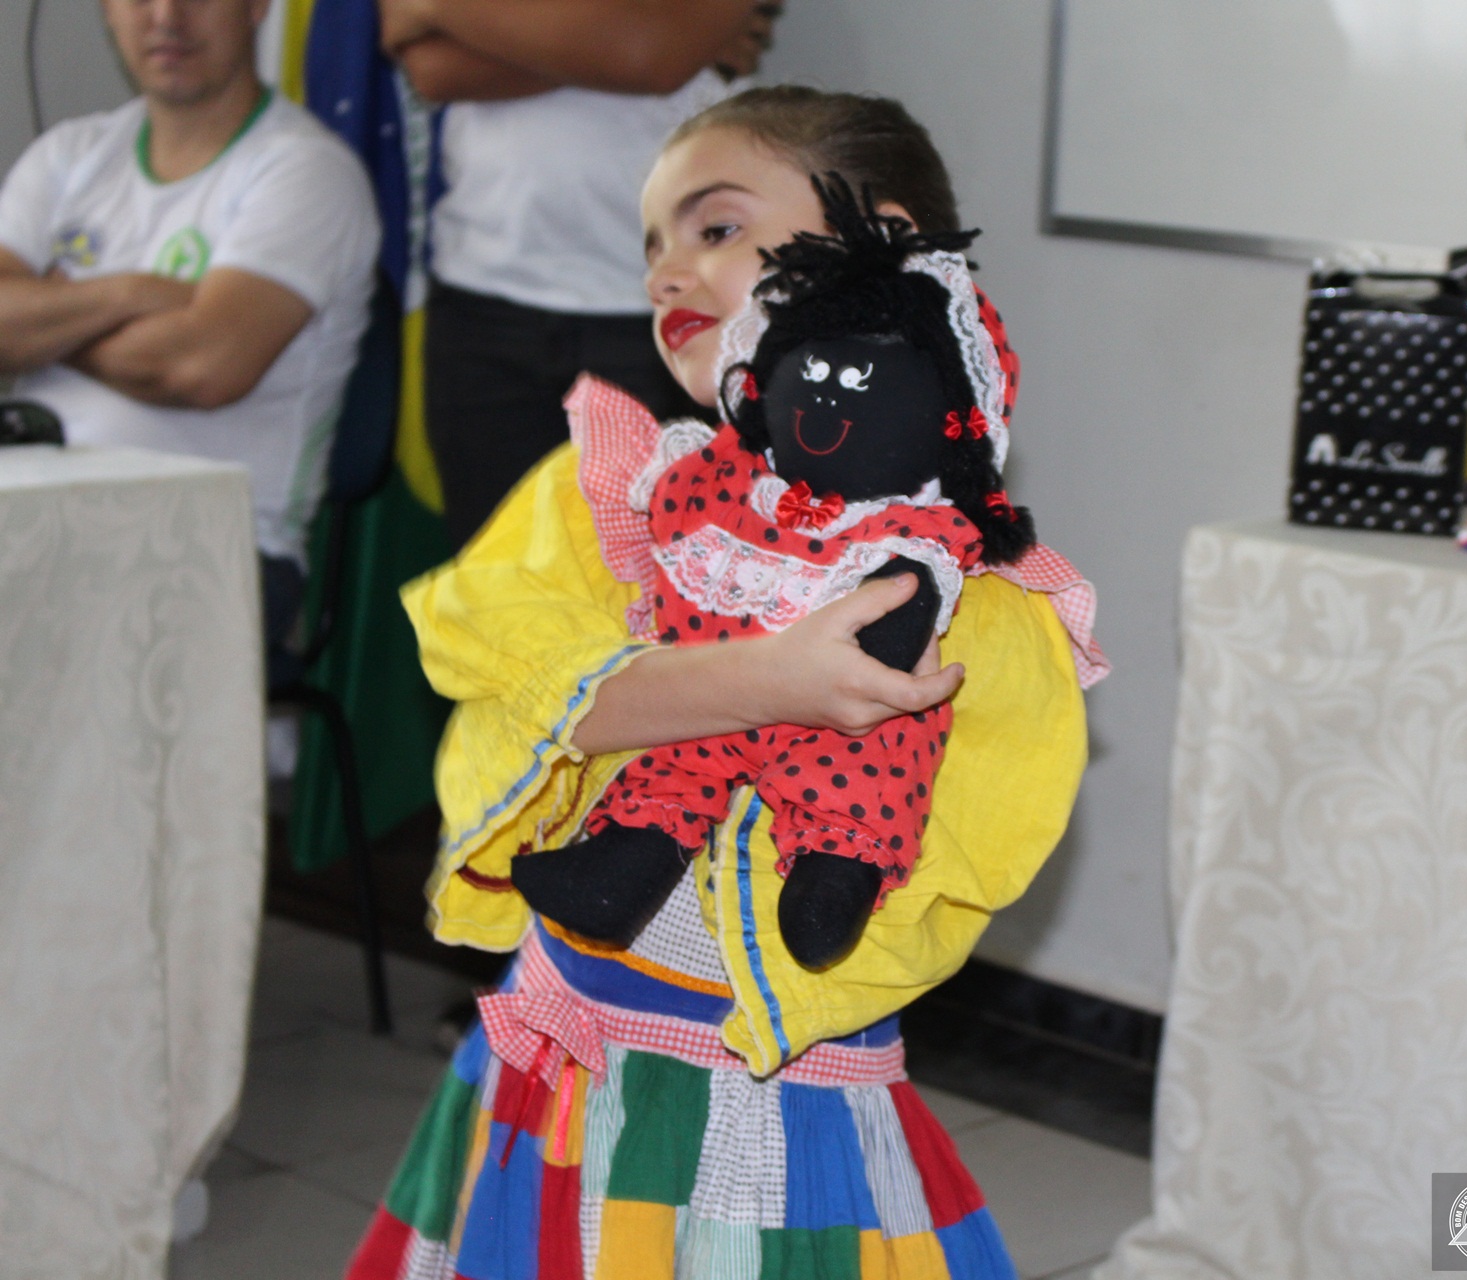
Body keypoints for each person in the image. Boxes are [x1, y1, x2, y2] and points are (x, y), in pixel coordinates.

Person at [343, 86, 1106, 1278]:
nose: (665, 271)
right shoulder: (612, 495)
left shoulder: (978, 601)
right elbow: (541, 695)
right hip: (567, 1050)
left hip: (774, 1093)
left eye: (715, 227)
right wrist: (773, 678)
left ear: (881, 245)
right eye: (650, 243)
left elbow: (938, 865)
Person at [0, 0, 379, 674]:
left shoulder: (307, 171)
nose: (166, 16)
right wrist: (129, 294)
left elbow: (203, 368)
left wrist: (49, 315)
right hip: (30, 518)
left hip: (210, 552)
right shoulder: (69, 154)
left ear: (256, 7)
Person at [379, 0, 782, 547]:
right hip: (484, 295)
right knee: (493, 576)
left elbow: (654, 57)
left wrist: (445, 11)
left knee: (659, 572)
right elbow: (433, 69)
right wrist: (621, 33)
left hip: (662, 305)